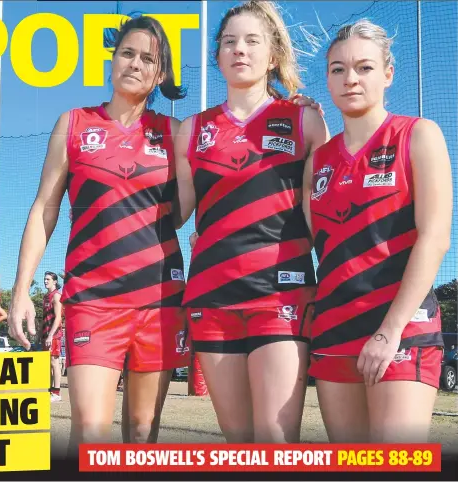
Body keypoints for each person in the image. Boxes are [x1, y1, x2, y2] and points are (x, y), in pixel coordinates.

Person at [8, 15, 190, 444]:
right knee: (90, 435)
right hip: (93, 298)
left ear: (160, 73)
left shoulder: (176, 133)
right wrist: (21, 290)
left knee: (143, 435)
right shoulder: (73, 123)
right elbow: (43, 209)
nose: (136, 63)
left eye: (149, 58)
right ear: (112, 59)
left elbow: (183, 212)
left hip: (159, 300)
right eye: (128, 53)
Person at [174, 0, 329, 443]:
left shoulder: (306, 119)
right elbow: (176, 213)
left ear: (273, 55)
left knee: (276, 441)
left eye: (251, 41)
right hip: (212, 294)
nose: (239, 50)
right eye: (229, 42)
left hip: (282, 292)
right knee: (238, 442)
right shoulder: (191, 129)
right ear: (218, 55)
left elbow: (321, 214)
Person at [304, 19, 452, 443]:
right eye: (337, 69)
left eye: (364, 67)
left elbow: (436, 237)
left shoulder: (418, 135)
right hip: (335, 328)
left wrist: (390, 331)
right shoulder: (317, 161)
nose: (350, 78)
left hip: (402, 326)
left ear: (388, 74)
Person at [42, 271, 63, 402]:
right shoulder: (46, 297)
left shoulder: (56, 296)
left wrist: (50, 335)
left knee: (54, 362)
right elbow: (45, 318)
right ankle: (49, 391)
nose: (45, 281)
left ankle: (57, 392)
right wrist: (40, 333)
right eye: (44, 279)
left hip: (53, 335)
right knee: (46, 364)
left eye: (48, 279)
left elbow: (58, 318)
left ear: (55, 281)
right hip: (45, 335)